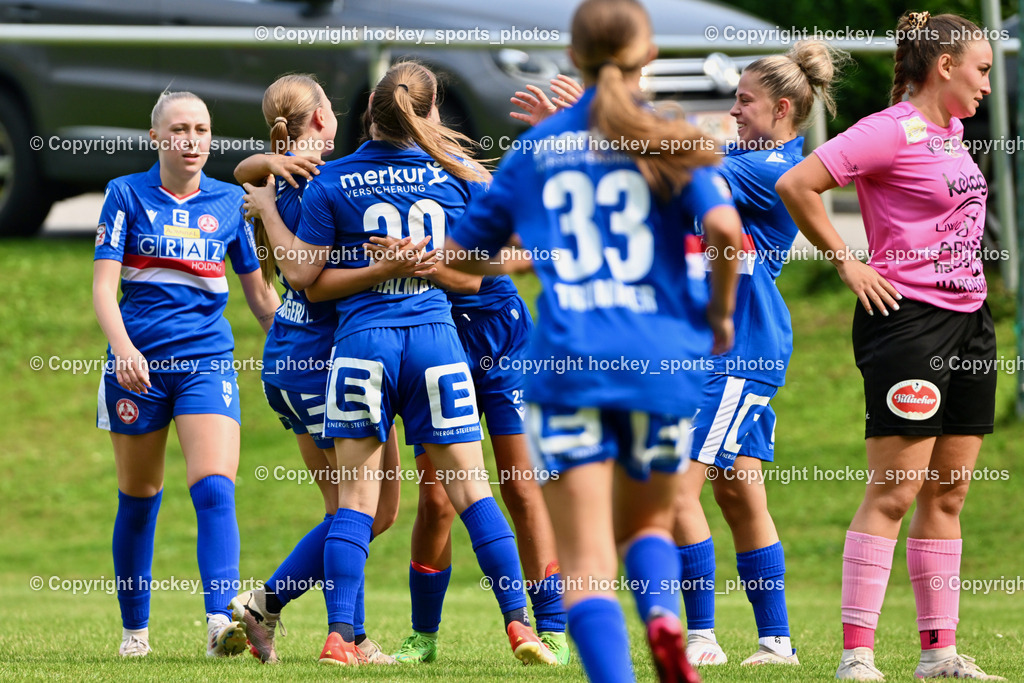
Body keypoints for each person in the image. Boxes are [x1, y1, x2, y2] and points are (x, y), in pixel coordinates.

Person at [444, 0, 743, 679]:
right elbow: (726, 232)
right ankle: (666, 620)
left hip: (570, 365)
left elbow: (463, 257)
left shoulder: (538, 148)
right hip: (662, 363)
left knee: (585, 563)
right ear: (651, 57)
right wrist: (720, 315)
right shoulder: (669, 135)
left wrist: (529, 251)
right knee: (648, 526)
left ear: (573, 59)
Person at [243, 60, 557, 667]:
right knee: (473, 491)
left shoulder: (331, 180)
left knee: (355, 505)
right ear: (430, 113)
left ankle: (339, 638)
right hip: (438, 341)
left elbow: (305, 278)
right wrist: (441, 260)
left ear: (366, 114)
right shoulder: (458, 178)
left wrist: (376, 267)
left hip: (362, 345)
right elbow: (513, 253)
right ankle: (521, 627)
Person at [777, 11, 1001, 681]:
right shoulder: (888, 130)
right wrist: (848, 261)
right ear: (945, 66)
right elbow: (799, 184)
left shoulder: (953, 131)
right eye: (982, 69)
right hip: (907, 325)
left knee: (950, 491)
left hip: (971, 322)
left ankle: (938, 654)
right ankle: (857, 656)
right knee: (896, 489)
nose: (988, 83)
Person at [660, 41, 846, 669]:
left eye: (745, 101)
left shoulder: (769, 171)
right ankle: (777, 643)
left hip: (738, 354)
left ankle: (702, 638)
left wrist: (602, 111)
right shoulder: (742, 158)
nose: (734, 111)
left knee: (676, 492)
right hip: (719, 350)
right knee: (739, 495)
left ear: (783, 109)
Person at [93, 90, 280, 658]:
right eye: (179, 129)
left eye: (201, 129)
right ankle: (135, 634)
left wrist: (302, 348)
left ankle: (220, 622)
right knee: (140, 498)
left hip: (206, 363)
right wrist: (123, 349)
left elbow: (260, 297)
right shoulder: (125, 194)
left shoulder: (228, 202)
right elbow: (104, 289)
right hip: (137, 369)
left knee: (215, 488)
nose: (192, 140)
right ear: (157, 138)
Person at [228, 73, 401, 665]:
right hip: (335, 360)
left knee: (345, 511)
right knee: (370, 511)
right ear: (324, 121)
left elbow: (241, 175)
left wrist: (262, 160)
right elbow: (316, 281)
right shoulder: (338, 181)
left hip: (285, 361)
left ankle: (311, 624)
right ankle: (317, 627)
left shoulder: (272, 179)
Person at [389, 271, 568, 665]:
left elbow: (493, 264)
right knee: (436, 502)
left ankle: (553, 628)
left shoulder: (479, 205)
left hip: (504, 335)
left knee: (521, 488)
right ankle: (423, 636)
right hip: (434, 337)